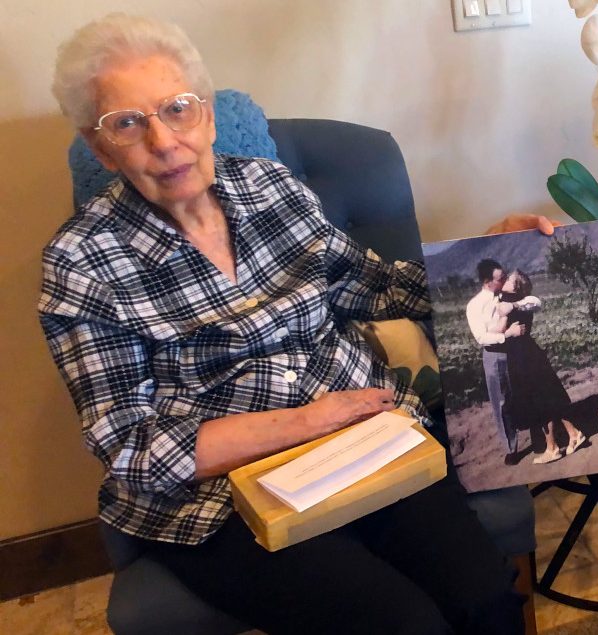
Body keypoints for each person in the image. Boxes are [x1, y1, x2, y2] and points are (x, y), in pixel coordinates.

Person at [39, 13, 553, 635]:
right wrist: (311, 420)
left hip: (365, 439)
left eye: (177, 109)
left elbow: (373, 285)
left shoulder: (269, 187)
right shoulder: (82, 262)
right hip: (218, 497)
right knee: (402, 624)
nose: (164, 141)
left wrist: (484, 258)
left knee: (485, 599)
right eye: (127, 124)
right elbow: (132, 449)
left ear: (206, 115)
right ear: (100, 148)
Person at [491, 270, 582, 464]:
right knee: (547, 398)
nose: (505, 280)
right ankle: (573, 434)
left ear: (516, 286)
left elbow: (500, 328)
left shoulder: (513, 302)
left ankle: (553, 448)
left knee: (539, 402)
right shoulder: (514, 301)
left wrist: (498, 322)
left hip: (523, 357)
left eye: (509, 279)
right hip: (527, 354)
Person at [466, 259, 538, 465]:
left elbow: (535, 302)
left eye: (506, 275)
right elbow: (481, 337)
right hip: (495, 354)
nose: (506, 279)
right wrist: (507, 334)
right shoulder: (475, 305)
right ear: (487, 281)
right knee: (501, 401)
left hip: (518, 352)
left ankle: (538, 435)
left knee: (526, 393)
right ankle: (511, 447)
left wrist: (514, 304)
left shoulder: (510, 294)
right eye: (501, 278)